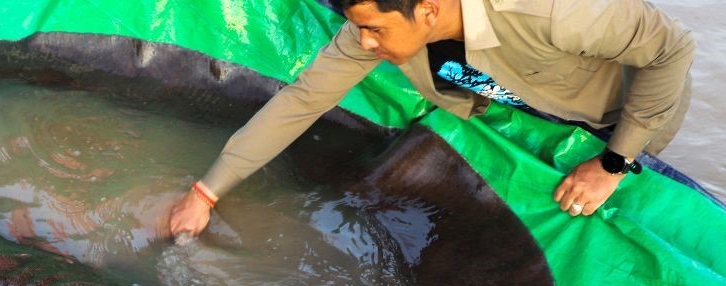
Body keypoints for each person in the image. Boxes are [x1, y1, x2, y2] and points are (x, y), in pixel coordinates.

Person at [167, 0, 694, 234]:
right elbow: (302, 100)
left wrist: (615, 162)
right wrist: (207, 191)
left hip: (615, 114)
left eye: (375, 29)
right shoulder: (371, 30)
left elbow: (671, 50)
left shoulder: (554, 8)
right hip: (511, 97)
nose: (365, 43)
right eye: (360, 27)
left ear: (428, 10)